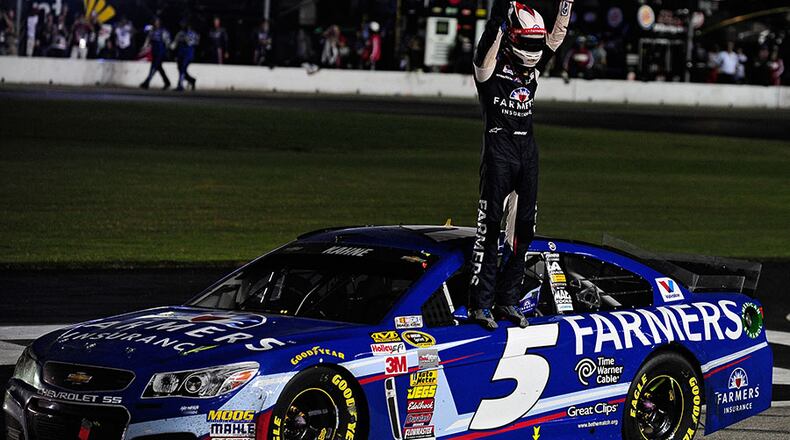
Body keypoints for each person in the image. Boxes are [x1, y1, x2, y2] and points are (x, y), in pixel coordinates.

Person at [468, 0, 573, 330]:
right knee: (488, 232)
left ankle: (509, 300)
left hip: (528, 154)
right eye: (526, 42)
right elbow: (491, 32)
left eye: (534, 43)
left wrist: (566, 5)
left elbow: (555, 38)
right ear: (510, 37)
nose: (533, 50)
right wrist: (503, 7)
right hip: (499, 154)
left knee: (522, 233)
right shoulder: (487, 70)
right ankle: (480, 305)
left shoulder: (536, 67)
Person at [139, 18, 171, 90]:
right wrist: (144, 47)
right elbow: (148, 39)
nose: (155, 23)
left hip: (160, 50)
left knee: (154, 66)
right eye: (154, 22)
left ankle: (146, 82)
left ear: (159, 23)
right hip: (154, 50)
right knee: (158, 67)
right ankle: (167, 82)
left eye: (156, 22)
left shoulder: (163, 31)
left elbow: (167, 41)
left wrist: (167, 51)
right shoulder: (152, 31)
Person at [172, 19, 198, 91]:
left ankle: (180, 85)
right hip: (181, 54)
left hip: (188, 54)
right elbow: (175, 43)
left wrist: (187, 39)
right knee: (180, 69)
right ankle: (192, 80)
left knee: (183, 68)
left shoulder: (193, 34)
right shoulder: (180, 33)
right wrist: (171, 46)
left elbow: (193, 43)